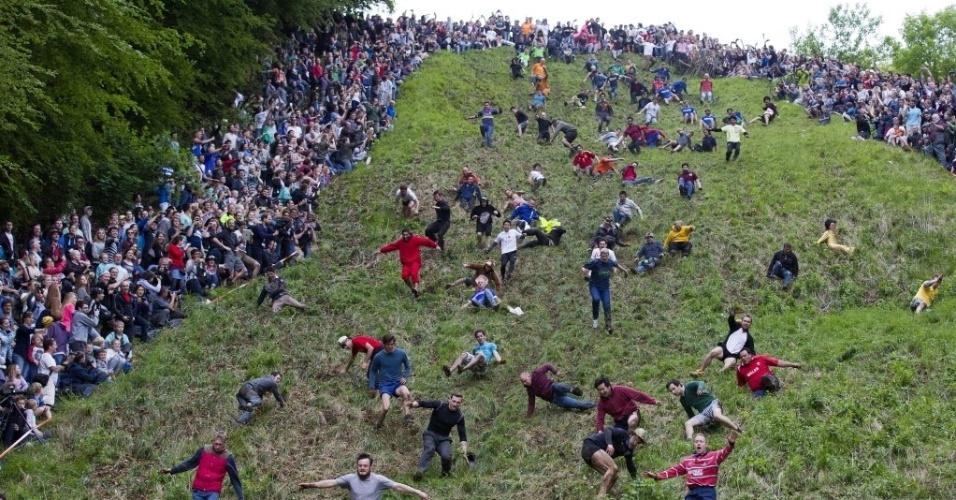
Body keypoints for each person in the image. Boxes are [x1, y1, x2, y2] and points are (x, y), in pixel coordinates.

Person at [644, 431, 739, 500]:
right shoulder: (688, 460)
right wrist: (657, 476)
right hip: (692, 492)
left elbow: (725, 452)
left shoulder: (713, 456)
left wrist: (730, 443)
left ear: (706, 444)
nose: (698, 443)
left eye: (701, 441)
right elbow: (674, 471)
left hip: (707, 491)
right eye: (696, 441)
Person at [297, 452, 430, 499]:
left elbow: (398, 486)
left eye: (365, 466)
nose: (362, 468)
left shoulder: (378, 480)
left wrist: (419, 492)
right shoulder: (350, 478)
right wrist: (312, 485)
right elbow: (331, 482)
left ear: (371, 467)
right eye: (360, 465)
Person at [160, 432, 245, 500]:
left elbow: (234, 478)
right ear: (212, 442)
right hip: (198, 489)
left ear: (225, 444)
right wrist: (172, 470)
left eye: (220, 444)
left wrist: (241, 497)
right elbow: (189, 463)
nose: (217, 446)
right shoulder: (204, 450)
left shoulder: (228, 457)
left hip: (213, 491)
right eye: (216, 444)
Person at [407, 393, 468, 480]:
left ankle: (445, 475)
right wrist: (413, 404)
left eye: (458, 402)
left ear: (460, 403)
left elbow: (463, 436)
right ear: (449, 399)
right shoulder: (440, 405)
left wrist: (465, 452)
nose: (455, 404)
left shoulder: (459, 416)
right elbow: (424, 403)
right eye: (454, 401)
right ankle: (419, 472)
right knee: (430, 448)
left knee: (446, 456)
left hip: (444, 439)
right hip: (430, 434)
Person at [666, 379, 743, 439]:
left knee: (717, 416)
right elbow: (690, 413)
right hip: (704, 413)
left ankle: (737, 429)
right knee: (688, 423)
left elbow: (701, 383)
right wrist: (697, 424)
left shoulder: (688, 386)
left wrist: (700, 389)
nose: (673, 392)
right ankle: (690, 441)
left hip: (712, 404)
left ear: (679, 385)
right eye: (671, 391)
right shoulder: (682, 400)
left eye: (673, 388)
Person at [581, 427, 644, 497]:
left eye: (638, 443)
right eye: (635, 439)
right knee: (613, 468)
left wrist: (637, 482)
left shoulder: (628, 451)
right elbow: (607, 430)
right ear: (632, 435)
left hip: (593, 455)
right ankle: (601, 496)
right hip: (591, 445)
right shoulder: (623, 434)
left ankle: (601, 496)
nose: (634, 443)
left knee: (614, 476)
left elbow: (630, 467)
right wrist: (609, 444)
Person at [367, 334, 413, 428]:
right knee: (386, 407)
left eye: (392, 344)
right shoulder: (379, 356)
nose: (390, 346)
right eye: (388, 344)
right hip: (385, 385)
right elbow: (373, 370)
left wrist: (405, 376)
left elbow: (408, 366)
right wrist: (372, 386)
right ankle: (378, 424)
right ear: (383, 345)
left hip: (397, 383)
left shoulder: (401, 353)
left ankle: (408, 416)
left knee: (406, 393)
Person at [379, 229, 440, 298]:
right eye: (404, 235)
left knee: (413, 273)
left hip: (415, 261)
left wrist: (435, 246)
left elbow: (426, 241)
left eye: (406, 235)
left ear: (410, 234)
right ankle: (412, 289)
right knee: (404, 276)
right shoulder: (400, 242)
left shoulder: (415, 239)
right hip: (406, 264)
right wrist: (381, 250)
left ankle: (416, 289)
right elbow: (391, 246)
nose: (405, 236)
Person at [693, 310, 756, 376]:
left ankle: (719, 374)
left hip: (732, 356)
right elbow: (731, 321)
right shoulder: (736, 327)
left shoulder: (749, 338)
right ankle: (701, 370)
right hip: (723, 349)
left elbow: (752, 352)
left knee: (729, 364)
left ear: (750, 324)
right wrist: (732, 315)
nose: (746, 323)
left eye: (748, 322)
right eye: (745, 321)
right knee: (713, 352)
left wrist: (753, 361)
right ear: (742, 321)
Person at [521, 363, 595, 415]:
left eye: (525, 380)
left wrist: (556, 372)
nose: (524, 383)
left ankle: (572, 389)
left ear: (529, 376)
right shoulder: (530, 391)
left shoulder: (537, 373)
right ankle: (593, 405)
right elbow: (531, 404)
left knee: (555, 386)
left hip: (555, 388)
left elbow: (547, 366)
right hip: (554, 399)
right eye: (523, 382)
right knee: (575, 404)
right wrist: (528, 415)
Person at [594, 376, 659, 431]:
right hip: (620, 421)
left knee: (631, 422)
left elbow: (637, 395)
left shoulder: (620, 389)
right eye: (599, 390)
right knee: (614, 434)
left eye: (603, 389)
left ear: (608, 386)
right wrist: (599, 430)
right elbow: (600, 418)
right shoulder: (601, 403)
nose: (602, 392)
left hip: (632, 413)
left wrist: (653, 401)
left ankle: (634, 434)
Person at [582, 249, 624, 332]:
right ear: (600, 255)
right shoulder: (595, 262)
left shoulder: (610, 262)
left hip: (605, 288)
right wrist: (585, 272)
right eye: (602, 256)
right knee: (596, 299)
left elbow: (617, 265)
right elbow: (584, 267)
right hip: (594, 286)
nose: (604, 258)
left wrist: (625, 271)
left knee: (606, 305)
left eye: (606, 256)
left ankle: (608, 326)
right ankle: (595, 319)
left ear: (608, 255)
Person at [736, 348, 802, 397]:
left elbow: (777, 362)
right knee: (757, 399)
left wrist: (793, 364)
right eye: (741, 357)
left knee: (765, 377)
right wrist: (747, 393)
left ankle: (776, 390)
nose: (743, 358)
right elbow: (742, 384)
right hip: (758, 390)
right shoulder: (740, 369)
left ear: (750, 355)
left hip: (769, 381)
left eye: (745, 356)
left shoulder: (760, 358)